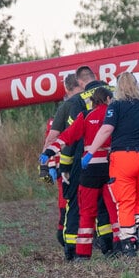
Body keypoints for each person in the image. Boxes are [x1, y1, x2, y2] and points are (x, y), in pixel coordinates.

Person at [84, 72, 139, 257]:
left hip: (125, 158)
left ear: (118, 87)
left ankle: (129, 245)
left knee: (125, 203)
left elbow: (107, 129)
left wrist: (90, 152)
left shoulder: (115, 106)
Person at [41, 87, 117, 261]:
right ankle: (120, 246)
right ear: (107, 99)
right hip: (111, 168)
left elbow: (66, 137)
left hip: (89, 170)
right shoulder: (114, 114)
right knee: (113, 210)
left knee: (87, 212)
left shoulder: (85, 116)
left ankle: (82, 254)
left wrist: (49, 153)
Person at [59, 65, 112, 260]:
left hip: (84, 162)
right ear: (95, 77)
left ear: (80, 82)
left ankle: (73, 250)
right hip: (111, 159)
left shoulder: (78, 100)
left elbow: (72, 136)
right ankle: (111, 246)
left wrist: (65, 165)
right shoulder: (112, 93)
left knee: (78, 206)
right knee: (108, 205)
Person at [40, 73, 81, 250]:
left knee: (68, 199)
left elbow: (51, 141)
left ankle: (67, 233)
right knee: (73, 200)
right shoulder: (82, 105)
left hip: (64, 164)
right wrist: (46, 166)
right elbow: (52, 141)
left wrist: (44, 165)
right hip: (74, 162)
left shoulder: (62, 112)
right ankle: (66, 234)